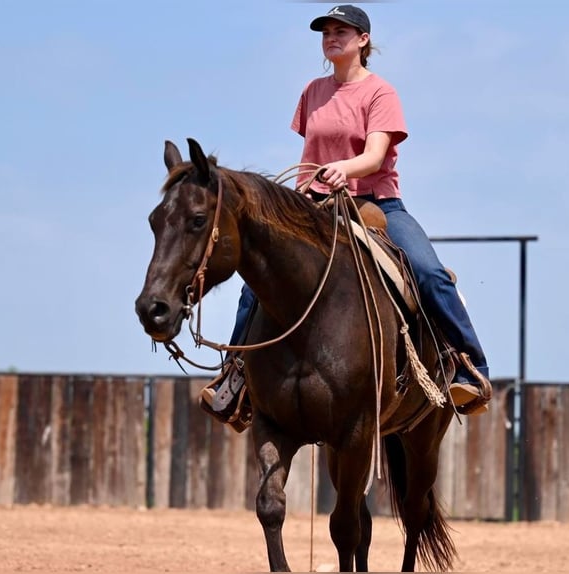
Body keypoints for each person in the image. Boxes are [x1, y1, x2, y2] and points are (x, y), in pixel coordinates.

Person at [200, 4, 491, 426]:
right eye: (327, 32)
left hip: (376, 203)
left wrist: (344, 168)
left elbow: (374, 156)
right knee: (258, 279)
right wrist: (297, 198)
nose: (332, 37)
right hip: (316, 205)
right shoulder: (312, 92)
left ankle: (471, 369)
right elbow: (310, 153)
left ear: (363, 40)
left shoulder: (380, 93)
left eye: (342, 31)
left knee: (429, 273)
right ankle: (236, 378)